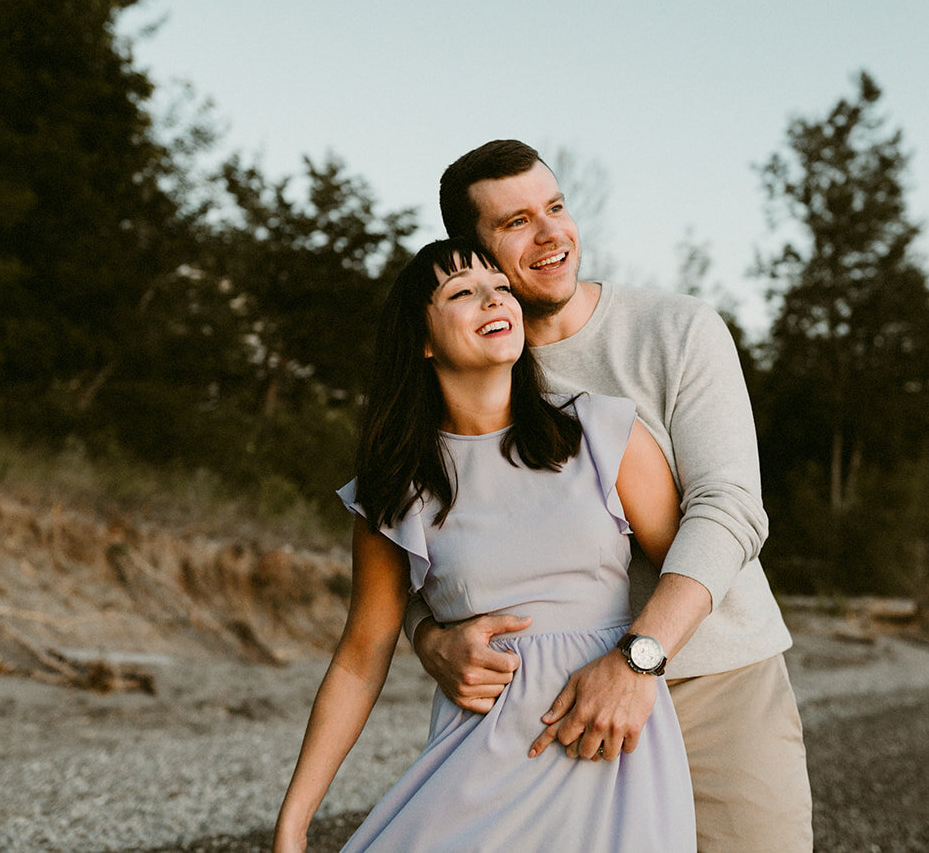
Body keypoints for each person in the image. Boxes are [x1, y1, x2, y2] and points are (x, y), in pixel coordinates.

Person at [407, 140, 813, 851]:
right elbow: (421, 526)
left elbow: (730, 507)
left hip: (713, 677)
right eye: (514, 223)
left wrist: (637, 660)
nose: (550, 234)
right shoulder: (473, 360)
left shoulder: (678, 329)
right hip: (556, 706)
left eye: (555, 207)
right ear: (470, 251)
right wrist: (428, 635)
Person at [271, 238, 696, 852]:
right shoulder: (397, 489)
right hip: (481, 764)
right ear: (422, 339)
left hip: (614, 745)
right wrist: (295, 821)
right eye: (462, 292)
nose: (494, 298)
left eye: (500, 287)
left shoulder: (605, 431)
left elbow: (690, 571)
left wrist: (639, 665)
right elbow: (360, 659)